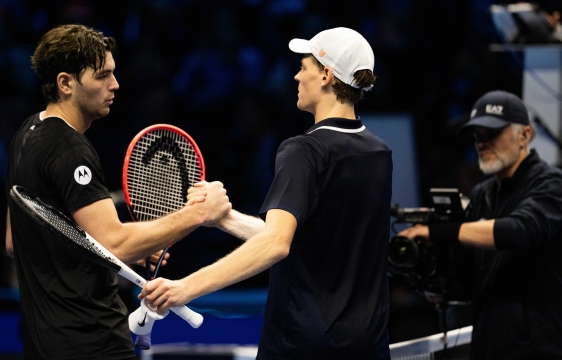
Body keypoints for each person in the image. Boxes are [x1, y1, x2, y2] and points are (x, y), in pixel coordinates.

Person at [140, 27, 392, 359]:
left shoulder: (304, 150)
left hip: (303, 347)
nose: (296, 75)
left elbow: (276, 243)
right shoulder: (379, 153)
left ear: (327, 75)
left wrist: (185, 287)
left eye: (304, 67)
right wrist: (225, 219)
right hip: (368, 347)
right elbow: (304, 239)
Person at [5, 24, 231, 360]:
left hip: (42, 340)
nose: (115, 84)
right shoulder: (70, 150)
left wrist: (128, 247)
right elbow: (115, 243)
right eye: (102, 75)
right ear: (65, 83)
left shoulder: (28, 132)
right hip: (91, 340)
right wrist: (199, 213)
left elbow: (15, 241)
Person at [399, 90, 562, 359]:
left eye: (492, 133)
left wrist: (440, 232)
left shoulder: (551, 185)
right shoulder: (483, 194)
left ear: (525, 135)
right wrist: (441, 285)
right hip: (488, 347)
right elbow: (476, 277)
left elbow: (521, 230)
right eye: (477, 136)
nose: (481, 143)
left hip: (539, 349)